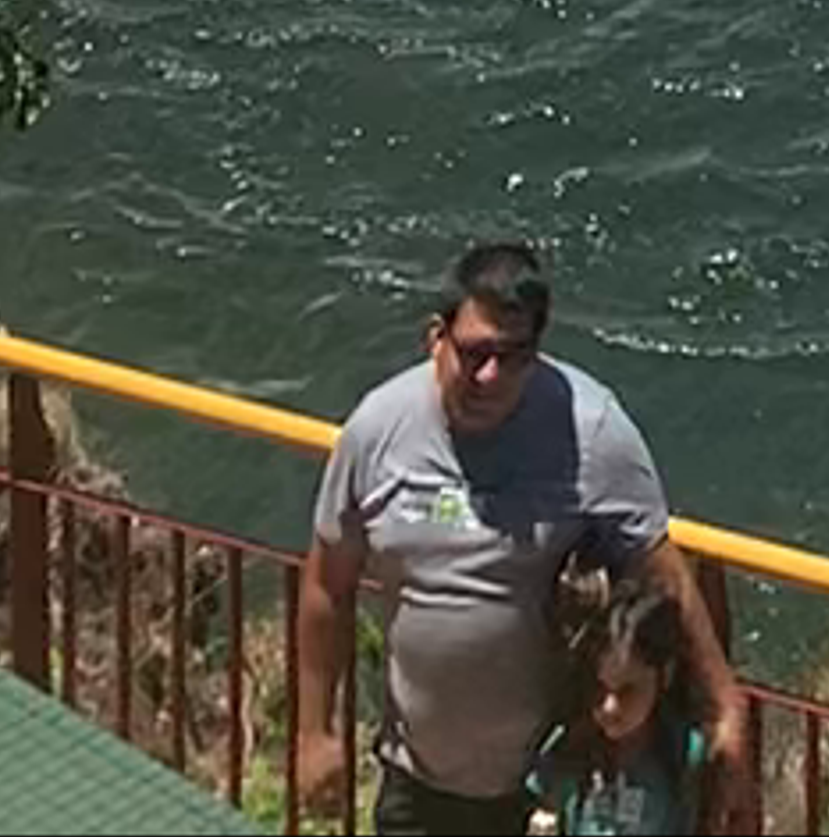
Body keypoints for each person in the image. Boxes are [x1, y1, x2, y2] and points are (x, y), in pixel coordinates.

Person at [297, 241, 757, 837]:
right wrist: (315, 733)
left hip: (543, 785)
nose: (491, 376)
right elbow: (327, 585)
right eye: (475, 353)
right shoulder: (376, 432)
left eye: (514, 357)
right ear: (435, 336)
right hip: (415, 778)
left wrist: (726, 709)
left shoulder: (591, 433)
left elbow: (662, 569)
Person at [531, 547, 708, 837]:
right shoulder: (568, 749)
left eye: (628, 691)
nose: (610, 707)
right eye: (598, 689)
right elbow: (545, 808)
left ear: (664, 675)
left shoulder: (683, 753)